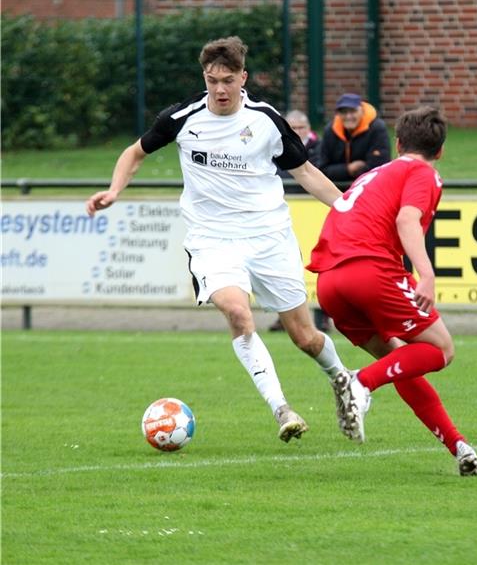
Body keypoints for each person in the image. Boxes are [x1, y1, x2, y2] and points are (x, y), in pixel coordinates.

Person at [86, 36, 350, 444]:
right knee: (238, 313)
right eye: (212, 81)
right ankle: (283, 409)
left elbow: (307, 173)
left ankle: (341, 379)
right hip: (212, 239)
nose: (220, 89)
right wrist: (115, 190)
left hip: (268, 237)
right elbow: (133, 153)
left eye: (228, 80)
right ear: (204, 77)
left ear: (243, 77)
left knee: (304, 336)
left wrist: (350, 209)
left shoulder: (265, 120)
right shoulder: (182, 117)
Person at [307, 106, 477, 476]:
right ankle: (359, 382)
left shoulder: (373, 174)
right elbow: (408, 219)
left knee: (400, 363)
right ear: (440, 151)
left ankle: (460, 448)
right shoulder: (422, 171)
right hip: (369, 271)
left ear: (398, 142)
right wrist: (426, 273)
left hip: (329, 283)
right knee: (441, 349)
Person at [270, 109, 330, 333]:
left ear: (309, 129)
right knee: (283, 267)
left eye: (300, 128)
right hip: (284, 211)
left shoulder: (319, 146)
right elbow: (273, 171)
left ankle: (322, 317)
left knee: (317, 265)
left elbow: (318, 171)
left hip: (315, 209)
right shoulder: (276, 143)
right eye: (292, 128)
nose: (296, 132)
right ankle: (284, 317)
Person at [317, 92, 391, 187]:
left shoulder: (377, 128)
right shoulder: (330, 130)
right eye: (344, 112)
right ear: (338, 114)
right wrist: (348, 169)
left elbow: (380, 168)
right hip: (336, 188)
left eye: (353, 111)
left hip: (370, 188)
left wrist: (338, 171)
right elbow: (321, 170)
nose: (348, 116)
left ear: (362, 110)